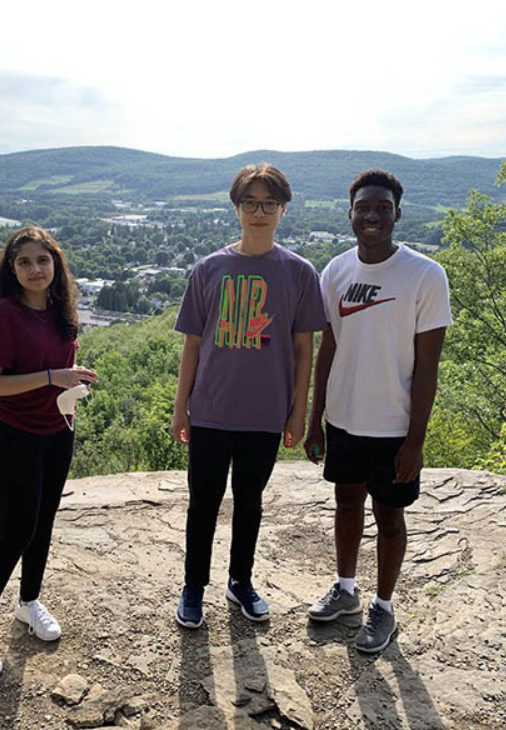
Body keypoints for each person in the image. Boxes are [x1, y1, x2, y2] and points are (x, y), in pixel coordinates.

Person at [172, 163, 327, 628]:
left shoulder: (299, 273)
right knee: (202, 502)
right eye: (250, 203)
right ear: (236, 208)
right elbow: (193, 345)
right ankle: (193, 587)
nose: (259, 212)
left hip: (265, 413)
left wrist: (299, 411)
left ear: (283, 209)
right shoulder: (210, 269)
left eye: (269, 204)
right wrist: (181, 408)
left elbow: (305, 349)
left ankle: (241, 581)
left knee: (250, 502)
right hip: (212, 411)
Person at [304, 169, 452, 653]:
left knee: (390, 519)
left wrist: (415, 440)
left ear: (396, 213)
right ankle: (346, 590)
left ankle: (383, 607)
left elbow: (428, 366)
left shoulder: (425, 276)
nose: (372, 215)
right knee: (346, 505)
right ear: (350, 214)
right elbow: (328, 349)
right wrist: (315, 419)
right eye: (363, 207)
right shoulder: (336, 271)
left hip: (393, 426)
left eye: (381, 208)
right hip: (344, 419)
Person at [0, 226, 98, 676]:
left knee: (42, 523)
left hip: (58, 429)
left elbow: (59, 369)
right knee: (15, 531)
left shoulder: (61, 309)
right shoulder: (5, 313)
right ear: (11, 268)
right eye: (24, 262)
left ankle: (29, 603)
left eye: (43, 260)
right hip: (16, 433)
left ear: (55, 264)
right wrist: (51, 377)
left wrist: (71, 383)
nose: (35, 269)